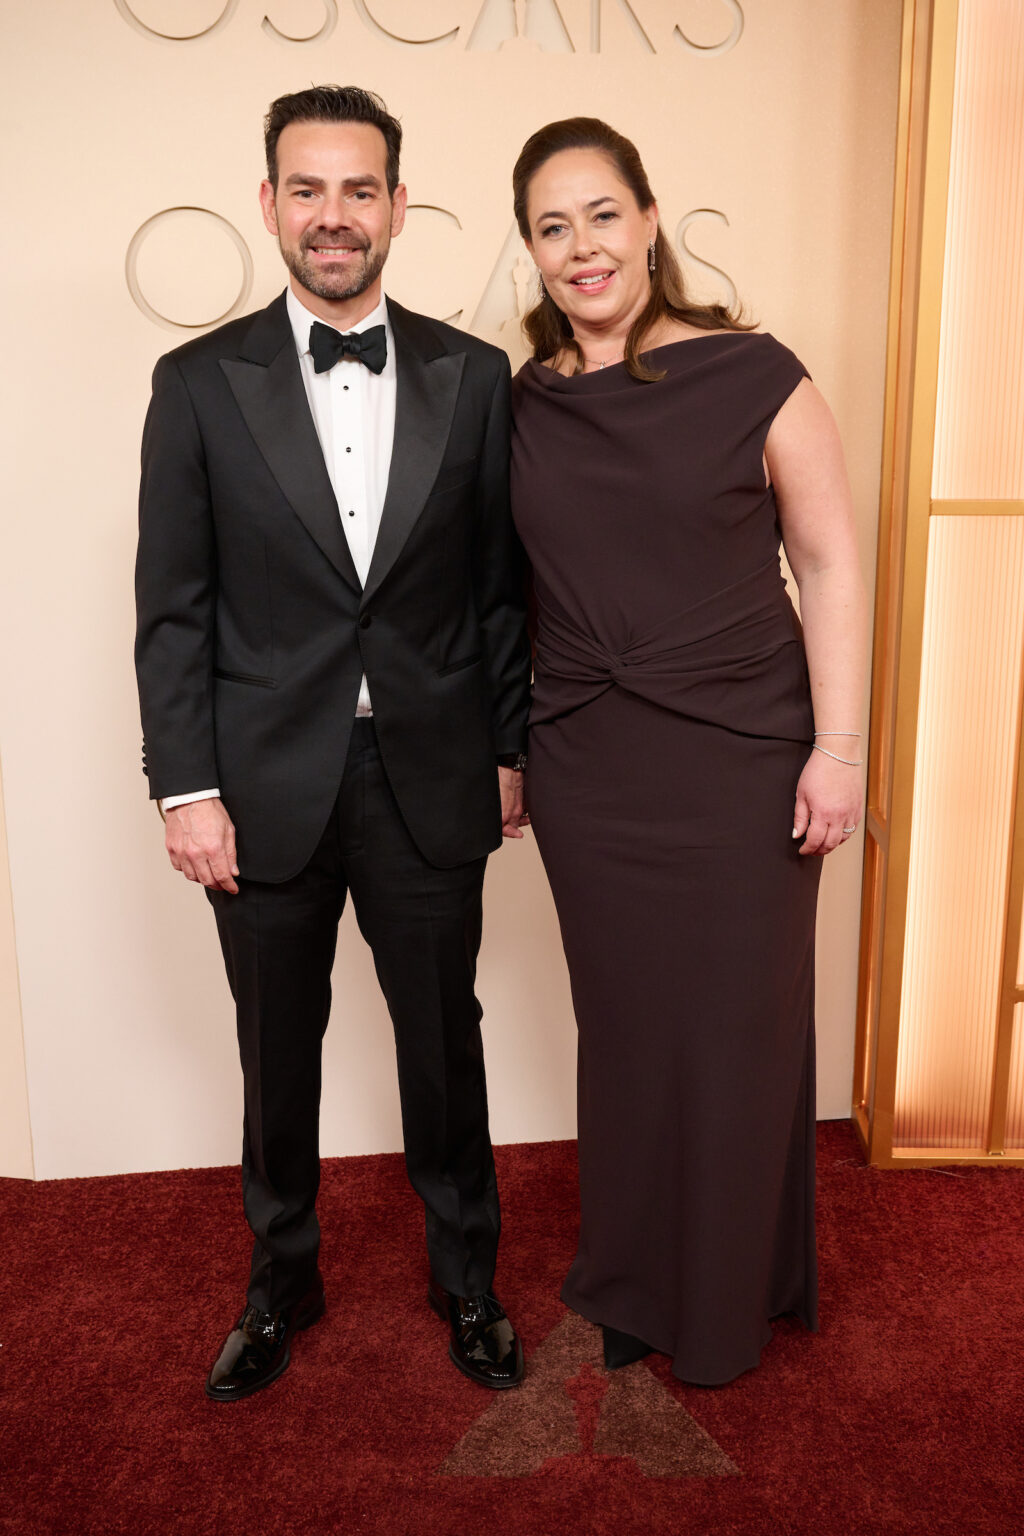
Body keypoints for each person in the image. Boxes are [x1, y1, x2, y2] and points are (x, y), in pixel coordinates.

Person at [134, 85, 532, 1401]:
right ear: (268, 205)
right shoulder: (195, 385)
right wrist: (188, 788)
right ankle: (279, 1283)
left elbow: (498, 592)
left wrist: (511, 746)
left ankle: (468, 1283)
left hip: (430, 774)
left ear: (400, 206)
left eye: (360, 188)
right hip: (258, 787)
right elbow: (173, 607)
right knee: (275, 1049)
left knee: (445, 1042)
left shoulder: (476, 379)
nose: (333, 215)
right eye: (307, 189)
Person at [508, 118, 866, 1386]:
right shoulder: (526, 400)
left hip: (742, 756)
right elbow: (509, 594)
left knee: (734, 1032)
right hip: (590, 767)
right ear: (532, 254)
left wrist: (840, 751)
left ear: (651, 221)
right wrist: (510, 752)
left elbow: (826, 564)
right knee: (629, 1031)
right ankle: (636, 1275)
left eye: (601, 214)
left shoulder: (754, 372)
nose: (582, 247)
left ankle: (727, 1291)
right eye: (552, 226)